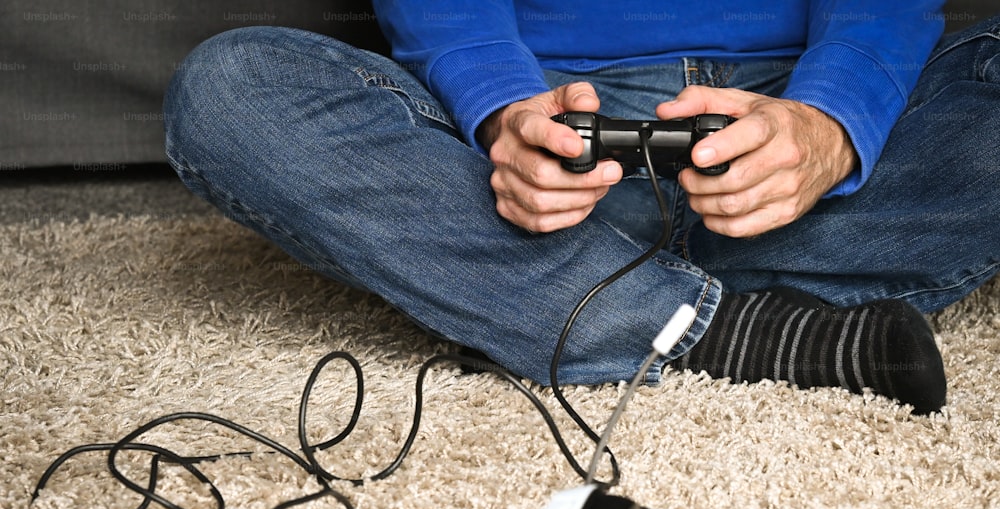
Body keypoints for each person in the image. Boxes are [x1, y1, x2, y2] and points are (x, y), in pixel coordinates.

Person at [163, 2, 1000, 415]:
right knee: (232, 90)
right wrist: (505, 112)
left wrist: (830, 126)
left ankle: (551, 298)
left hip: (797, 105)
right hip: (553, 119)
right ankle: (732, 329)